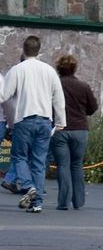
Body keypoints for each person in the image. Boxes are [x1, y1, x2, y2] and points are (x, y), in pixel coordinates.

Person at [0, 35, 66, 213]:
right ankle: (37, 203)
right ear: (39, 50)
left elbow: (4, 96)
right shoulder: (49, 71)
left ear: (23, 49)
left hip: (24, 119)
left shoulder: (17, 70)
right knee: (39, 161)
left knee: (19, 157)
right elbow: (58, 99)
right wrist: (61, 122)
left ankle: (28, 186)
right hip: (45, 120)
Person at [51, 54, 98, 210]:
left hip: (60, 129)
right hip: (80, 129)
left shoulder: (55, 85)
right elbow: (93, 107)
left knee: (63, 165)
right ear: (74, 68)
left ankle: (63, 202)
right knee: (77, 165)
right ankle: (78, 201)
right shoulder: (83, 86)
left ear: (59, 68)